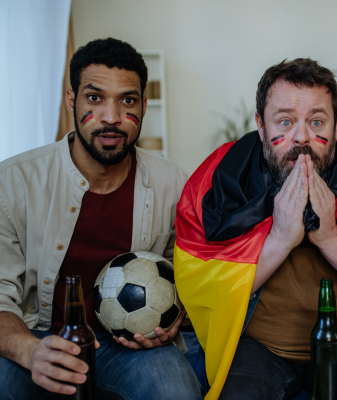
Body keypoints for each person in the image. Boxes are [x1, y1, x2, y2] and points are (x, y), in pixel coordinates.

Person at [174, 58, 337, 399]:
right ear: (260, 126)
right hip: (258, 347)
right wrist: (281, 238)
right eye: (284, 121)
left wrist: (329, 237)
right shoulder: (218, 179)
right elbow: (201, 285)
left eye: (317, 121)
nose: (302, 137)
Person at [0, 38, 202, 399]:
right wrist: (31, 351)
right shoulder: (13, 182)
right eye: (94, 98)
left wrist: (175, 315)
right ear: (70, 101)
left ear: (143, 104)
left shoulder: (175, 183)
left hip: (130, 346)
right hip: (37, 335)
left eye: (128, 100)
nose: (111, 117)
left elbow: (187, 272)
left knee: (177, 391)